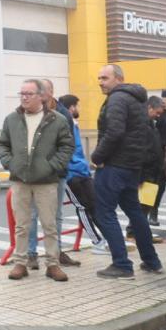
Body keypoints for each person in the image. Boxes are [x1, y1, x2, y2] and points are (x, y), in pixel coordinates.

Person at [90, 64, 163, 279]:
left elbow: (114, 132)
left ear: (119, 79)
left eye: (105, 78)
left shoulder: (117, 99)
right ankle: (151, 260)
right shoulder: (137, 99)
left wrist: (97, 157)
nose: (100, 82)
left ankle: (121, 264)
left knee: (105, 213)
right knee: (135, 213)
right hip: (132, 166)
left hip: (114, 165)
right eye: (99, 78)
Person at [0, 79, 74, 281]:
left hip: (47, 181)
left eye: (29, 93)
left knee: (49, 225)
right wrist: (10, 163)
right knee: (22, 225)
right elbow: (2, 145)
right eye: (21, 93)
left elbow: (67, 147)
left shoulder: (57, 120)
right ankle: (20, 263)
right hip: (20, 180)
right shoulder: (12, 119)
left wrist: (51, 166)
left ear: (41, 96)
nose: (24, 97)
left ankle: (52, 264)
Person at [24, 78, 79, 268]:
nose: (39, 96)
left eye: (43, 92)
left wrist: (52, 166)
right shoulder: (28, 113)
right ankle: (30, 254)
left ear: (50, 92)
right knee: (31, 214)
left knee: (55, 215)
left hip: (56, 174)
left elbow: (67, 146)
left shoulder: (63, 114)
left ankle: (56, 253)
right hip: (32, 174)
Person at [58, 94, 107, 255]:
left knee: (94, 205)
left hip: (82, 170)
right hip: (71, 173)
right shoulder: (64, 123)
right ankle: (97, 241)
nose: (78, 109)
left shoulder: (73, 124)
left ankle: (105, 238)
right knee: (83, 207)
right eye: (77, 106)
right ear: (71, 107)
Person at [146, 96, 166, 228]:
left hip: (155, 167)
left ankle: (141, 228)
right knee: (143, 202)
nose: (157, 115)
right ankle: (134, 230)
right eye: (156, 112)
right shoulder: (143, 122)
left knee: (150, 198)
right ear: (149, 107)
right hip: (147, 170)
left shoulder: (151, 121)